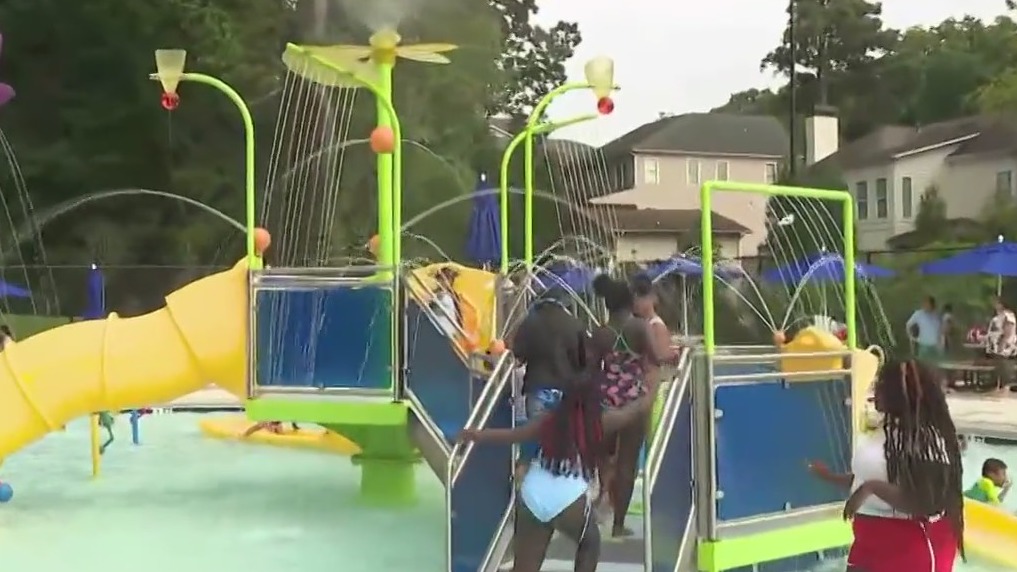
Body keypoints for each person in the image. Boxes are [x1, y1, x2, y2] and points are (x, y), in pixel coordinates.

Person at [457, 333, 658, 572]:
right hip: (569, 496)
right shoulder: (601, 422)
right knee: (589, 544)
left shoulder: (549, 420)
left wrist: (474, 434)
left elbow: (511, 435)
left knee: (525, 567)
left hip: (532, 493)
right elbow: (636, 409)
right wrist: (654, 383)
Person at [808, 360, 963, 572]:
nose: (875, 389)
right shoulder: (886, 433)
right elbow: (874, 476)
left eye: (882, 384)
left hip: (911, 543)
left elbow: (928, 503)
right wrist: (828, 476)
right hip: (870, 538)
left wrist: (870, 488)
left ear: (901, 393)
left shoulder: (927, 441)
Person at [590, 274, 662, 538]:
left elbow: (590, 368)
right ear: (629, 301)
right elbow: (657, 357)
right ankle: (618, 525)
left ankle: (602, 493)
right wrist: (674, 356)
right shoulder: (640, 327)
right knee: (628, 463)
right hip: (634, 400)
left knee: (604, 455)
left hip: (605, 399)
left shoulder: (600, 332)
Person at [985, 296, 1016, 392]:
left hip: (1005, 345)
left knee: (1004, 366)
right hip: (996, 345)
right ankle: (998, 385)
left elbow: (1008, 331)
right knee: (999, 366)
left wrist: (1002, 344)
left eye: (996, 302)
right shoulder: (998, 316)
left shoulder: (1008, 316)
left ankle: (1005, 386)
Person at [906, 296, 942, 364]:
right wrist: (911, 337)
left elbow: (939, 330)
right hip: (924, 345)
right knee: (923, 364)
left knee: (935, 364)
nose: (926, 306)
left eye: (929, 304)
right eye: (925, 304)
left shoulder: (936, 315)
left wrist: (940, 344)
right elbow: (908, 324)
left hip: (935, 345)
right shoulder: (919, 314)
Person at [430, 266, 464, 338]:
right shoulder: (433, 293)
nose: (444, 282)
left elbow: (458, 313)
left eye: (448, 279)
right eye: (441, 279)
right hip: (437, 329)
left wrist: (459, 329)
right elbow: (429, 306)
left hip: (451, 331)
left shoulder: (454, 295)